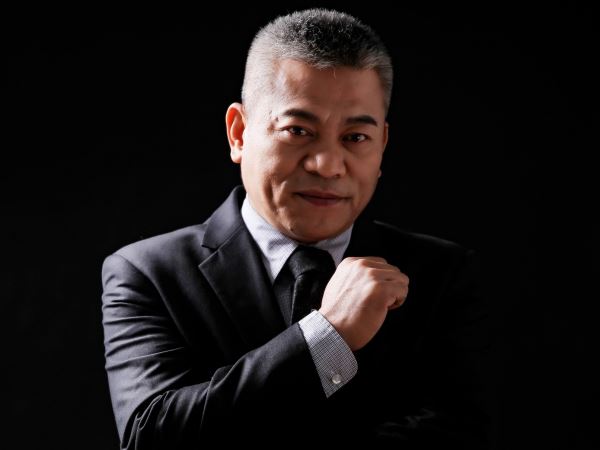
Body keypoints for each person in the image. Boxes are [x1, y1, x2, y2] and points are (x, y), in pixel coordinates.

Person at [101, 8, 491, 449]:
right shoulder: (148, 273)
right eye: (298, 130)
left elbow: (459, 436)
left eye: (355, 138)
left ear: (382, 144)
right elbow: (152, 437)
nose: (328, 165)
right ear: (239, 133)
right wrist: (329, 335)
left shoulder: (442, 275)